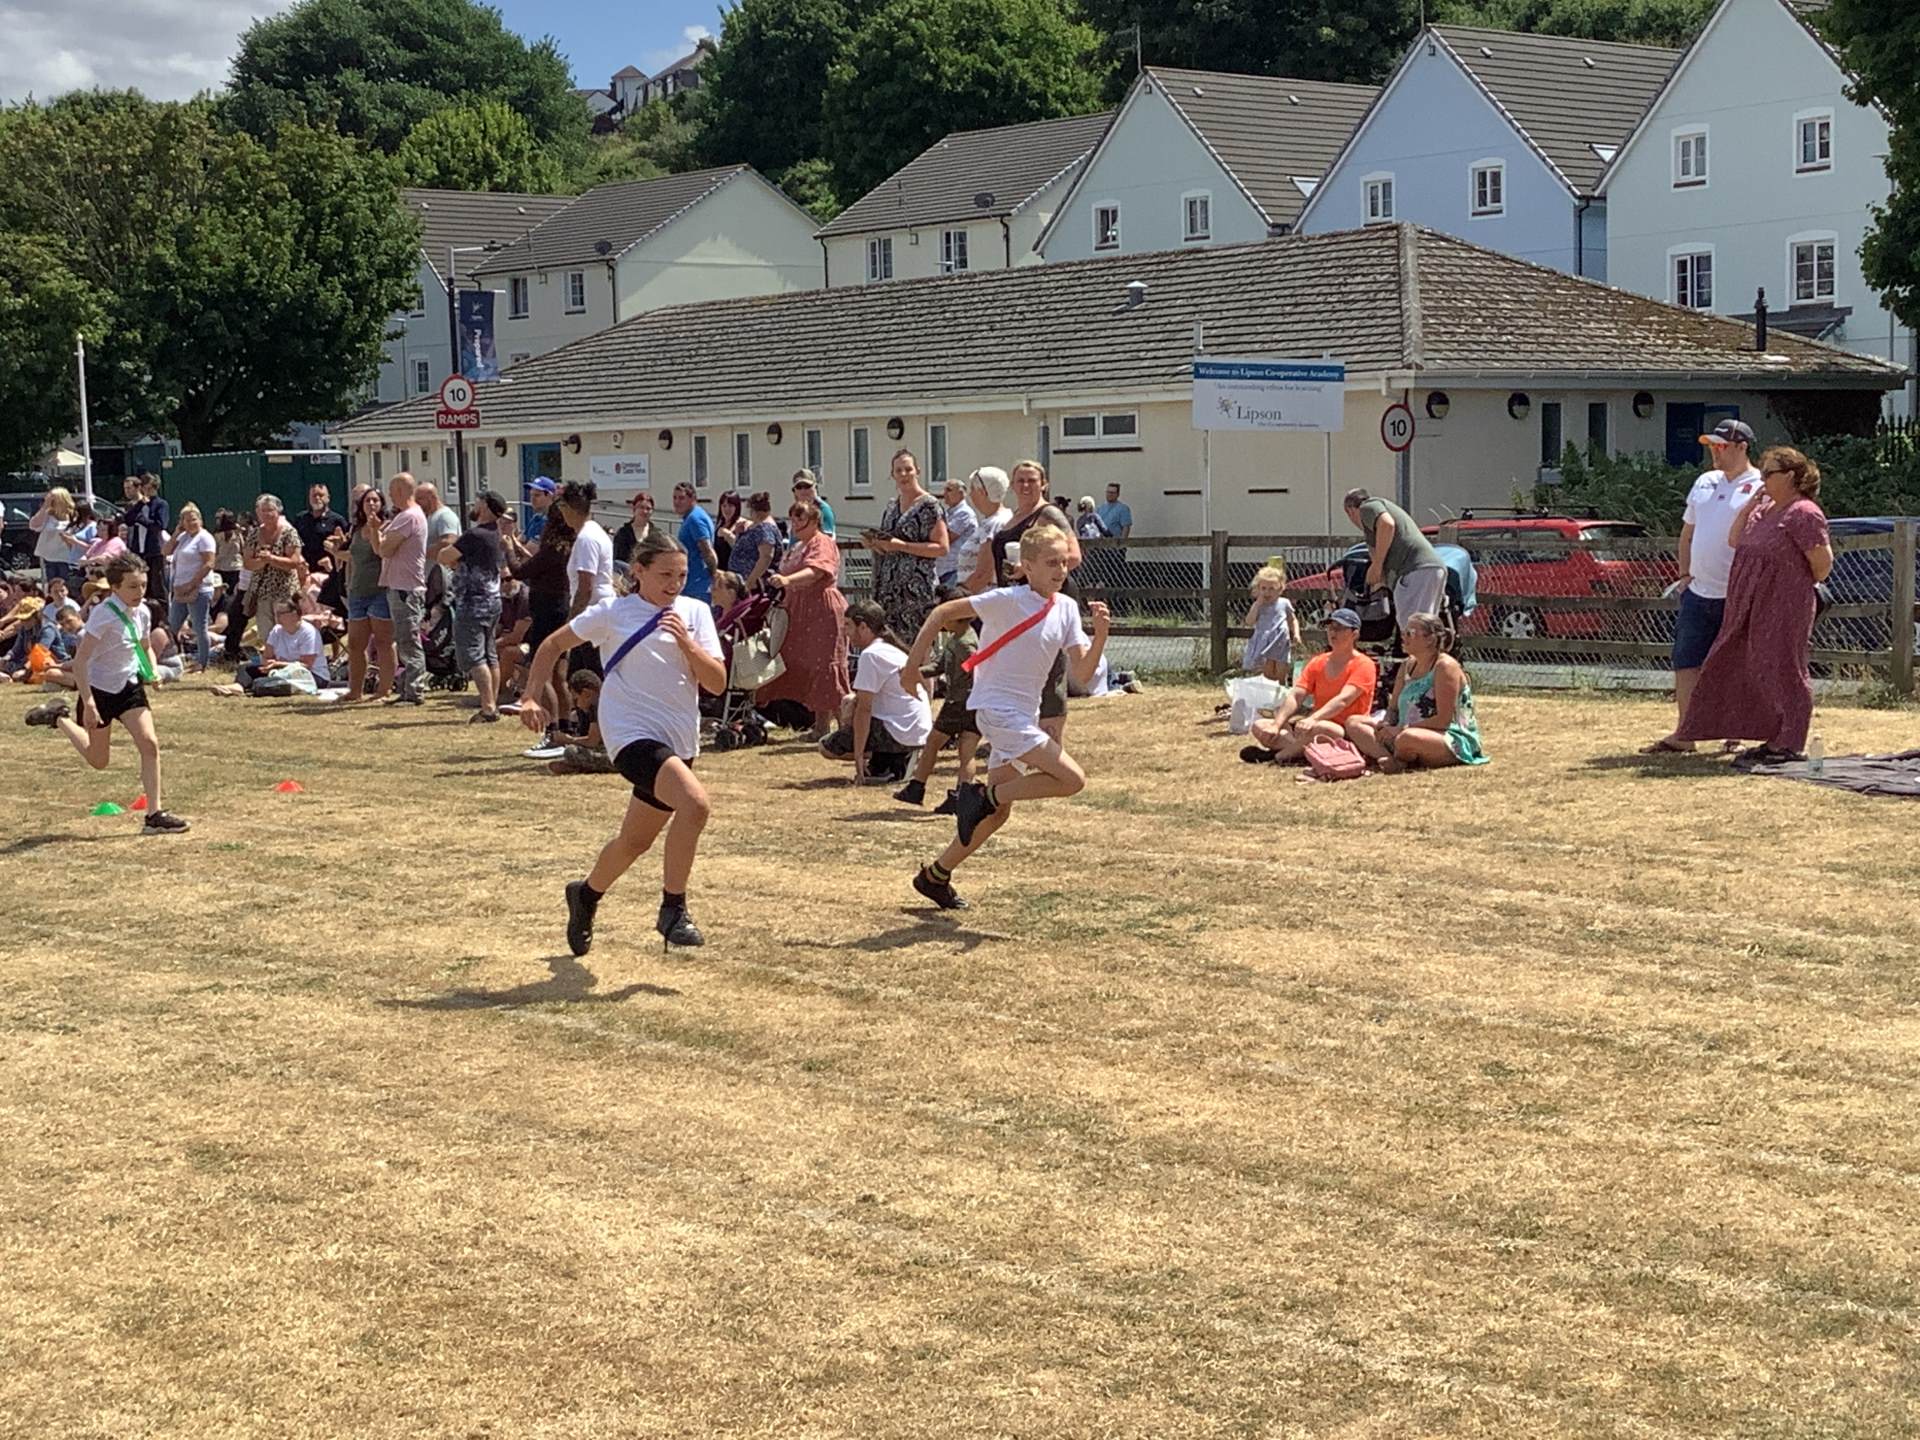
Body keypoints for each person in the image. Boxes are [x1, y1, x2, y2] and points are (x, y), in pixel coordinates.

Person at [516, 531, 726, 954]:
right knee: (695, 805)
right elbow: (552, 644)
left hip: (678, 738)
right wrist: (530, 696)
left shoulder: (695, 612)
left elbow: (717, 683)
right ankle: (673, 909)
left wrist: (686, 642)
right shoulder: (613, 612)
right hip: (629, 734)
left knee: (635, 841)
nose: (674, 584)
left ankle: (585, 895)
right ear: (639, 572)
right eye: (665, 574)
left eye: (682, 575)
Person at [901, 524, 1109, 911]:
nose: (1061, 570)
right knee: (1072, 780)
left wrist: (1100, 636)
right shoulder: (1008, 600)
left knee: (997, 814)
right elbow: (943, 612)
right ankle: (981, 795)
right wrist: (912, 667)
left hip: (1024, 715)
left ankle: (935, 875)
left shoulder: (1065, 608)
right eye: (1051, 563)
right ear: (1026, 566)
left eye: (1064, 562)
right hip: (997, 710)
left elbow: (1082, 674)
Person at [1669, 446, 1834, 763]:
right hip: (1750, 602)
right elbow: (1735, 539)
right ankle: (1772, 737)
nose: (1763, 479)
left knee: (1785, 667)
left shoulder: (1803, 512)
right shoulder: (1764, 509)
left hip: (1785, 602)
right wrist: (1749, 506)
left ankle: (1790, 742)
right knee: (1756, 665)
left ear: (1790, 477)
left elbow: (1822, 566)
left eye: (1769, 474)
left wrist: (1788, 582)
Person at [24, 556, 189, 833]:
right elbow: (81, 662)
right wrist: (88, 703)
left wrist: (152, 671)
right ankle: (60, 717)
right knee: (98, 760)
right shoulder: (103, 615)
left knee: (149, 743)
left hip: (128, 686)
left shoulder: (143, 612)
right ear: (115, 587)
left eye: (143, 585)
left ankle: (154, 815)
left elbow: (145, 646)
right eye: (132, 586)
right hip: (98, 690)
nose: (140, 592)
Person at [1644, 418, 1765, 754]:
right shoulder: (1704, 482)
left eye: (1722, 446)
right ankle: (1686, 734)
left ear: (1742, 447)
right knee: (1686, 661)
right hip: (1698, 591)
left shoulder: (1760, 486)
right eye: (1712, 446)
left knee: (1735, 665)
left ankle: (1734, 734)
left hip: (1737, 594)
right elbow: (1688, 533)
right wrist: (1685, 575)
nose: (1715, 452)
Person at [969, 459, 1081, 742]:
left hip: (1042, 602)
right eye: (1020, 480)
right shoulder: (1013, 516)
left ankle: (1050, 740)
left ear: (1044, 484)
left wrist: (1030, 570)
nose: (1026, 485)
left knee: (1050, 670)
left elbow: (1073, 555)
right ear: (1012, 485)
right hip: (1016, 602)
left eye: (1032, 480)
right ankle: (1018, 732)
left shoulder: (1048, 513)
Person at [1346, 612, 1488, 772]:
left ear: (1430, 639)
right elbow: (1393, 709)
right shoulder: (1407, 665)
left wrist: (1400, 729)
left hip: (1447, 736)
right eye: (1403, 632)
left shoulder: (1445, 667)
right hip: (1403, 731)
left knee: (1407, 738)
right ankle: (1389, 758)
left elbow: (1443, 720)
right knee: (1354, 722)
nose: (1403, 637)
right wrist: (1386, 725)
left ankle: (1397, 756)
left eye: (1410, 633)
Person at [757, 499, 849, 737]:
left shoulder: (822, 542)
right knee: (808, 667)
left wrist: (787, 580)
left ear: (815, 520)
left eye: (801, 518)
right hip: (798, 612)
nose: (796, 523)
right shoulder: (797, 546)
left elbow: (816, 571)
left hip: (822, 610)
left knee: (826, 666)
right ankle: (821, 727)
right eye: (793, 518)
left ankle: (847, 730)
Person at [1242, 608, 1379, 764]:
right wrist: (1276, 725)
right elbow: (1296, 695)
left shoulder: (1364, 664)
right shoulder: (1318, 662)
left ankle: (1281, 755)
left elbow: (1343, 700)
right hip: (1312, 727)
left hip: (1342, 731)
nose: (1333, 632)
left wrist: (1313, 718)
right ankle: (1303, 752)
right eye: (1330, 627)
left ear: (1354, 634)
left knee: (1326, 729)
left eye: (1339, 628)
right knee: (1260, 726)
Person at [822, 599, 933, 783]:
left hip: (902, 731)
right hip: (915, 730)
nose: (845, 632)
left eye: (848, 626)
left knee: (827, 746)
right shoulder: (890, 649)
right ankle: (889, 761)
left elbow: (864, 710)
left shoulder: (871, 655)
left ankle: (890, 759)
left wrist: (858, 758)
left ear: (863, 627)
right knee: (850, 701)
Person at [893, 584, 980, 809]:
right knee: (967, 750)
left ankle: (917, 787)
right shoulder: (958, 638)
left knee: (933, 743)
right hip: (973, 703)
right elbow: (939, 666)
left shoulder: (964, 644)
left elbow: (976, 668)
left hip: (959, 703)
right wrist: (915, 672)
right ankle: (961, 797)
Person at [437, 490, 509, 721]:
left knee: (474, 656)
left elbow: (444, 556)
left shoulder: (475, 535)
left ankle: (487, 708)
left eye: (478, 502)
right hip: (493, 601)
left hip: (472, 602)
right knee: (490, 654)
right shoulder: (496, 534)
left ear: (485, 506)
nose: (474, 505)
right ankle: (492, 704)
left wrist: (453, 555)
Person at [865, 448, 949, 638]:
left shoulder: (929, 506)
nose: (904, 474)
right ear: (892, 474)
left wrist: (902, 546)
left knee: (915, 645)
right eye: (899, 470)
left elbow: (942, 548)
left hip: (916, 592)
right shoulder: (891, 506)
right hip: (888, 591)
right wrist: (875, 544)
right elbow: (888, 543)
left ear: (917, 471)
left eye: (908, 469)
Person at [502, 502, 574, 718]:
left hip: (546, 610)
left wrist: (508, 549)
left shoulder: (552, 547)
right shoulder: (568, 545)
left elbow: (519, 571)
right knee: (559, 674)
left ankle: (552, 726)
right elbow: (536, 563)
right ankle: (566, 724)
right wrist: (518, 546)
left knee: (541, 670)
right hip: (561, 606)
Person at [1343, 487, 1447, 638]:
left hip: (1414, 568)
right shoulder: (1372, 529)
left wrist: (1377, 566)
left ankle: (1418, 652)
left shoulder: (1368, 507)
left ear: (1350, 511)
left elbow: (1387, 524)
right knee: (1424, 626)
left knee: (1412, 627)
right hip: (1427, 568)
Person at [327, 486, 393, 702]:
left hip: (380, 591)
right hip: (357, 592)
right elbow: (354, 556)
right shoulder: (356, 529)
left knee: (383, 643)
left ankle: (384, 690)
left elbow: (379, 551)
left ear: (382, 504)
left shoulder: (388, 526)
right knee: (355, 644)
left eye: (375, 500)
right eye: (367, 501)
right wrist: (335, 551)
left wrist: (375, 529)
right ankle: (355, 691)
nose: (371, 504)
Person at [367, 472, 427, 704]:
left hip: (406, 589)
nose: (390, 496)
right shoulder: (404, 517)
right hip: (398, 586)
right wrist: (375, 529)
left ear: (402, 491)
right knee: (403, 640)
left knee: (409, 641)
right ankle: (407, 689)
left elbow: (385, 549)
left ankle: (414, 691)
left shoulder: (409, 517)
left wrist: (379, 535)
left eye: (392, 492)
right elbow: (379, 549)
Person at [242, 493, 306, 653]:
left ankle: (289, 659)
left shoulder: (289, 533)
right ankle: (272, 660)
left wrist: (271, 559)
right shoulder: (254, 534)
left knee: (287, 629)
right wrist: (262, 562)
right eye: (263, 510)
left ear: (278, 511)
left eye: (270, 510)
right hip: (262, 592)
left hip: (284, 591)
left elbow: (294, 562)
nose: (267, 514)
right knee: (267, 633)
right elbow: (247, 563)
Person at [162, 502, 217, 672]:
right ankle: (168, 657)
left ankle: (202, 662)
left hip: (199, 589)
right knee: (172, 625)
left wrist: (192, 584)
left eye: (193, 519)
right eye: (186, 520)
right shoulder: (183, 538)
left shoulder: (204, 538)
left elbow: (209, 563)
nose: (191, 523)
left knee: (199, 627)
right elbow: (165, 551)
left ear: (200, 520)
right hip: (180, 590)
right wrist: (176, 533)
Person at [546, 669, 615, 774]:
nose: (576, 705)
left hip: (617, 755)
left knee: (571, 751)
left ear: (586, 693)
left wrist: (568, 739)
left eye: (576, 699)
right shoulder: (607, 698)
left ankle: (580, 767)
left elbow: (592, 741)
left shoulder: (597, 706)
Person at [953, 466, 1011, 589]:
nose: (970, 494)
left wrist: (959, 595)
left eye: (972, 489)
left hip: (982, 595)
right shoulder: (999, 519)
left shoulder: (994, 524)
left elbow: (983, 574)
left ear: (982, 492)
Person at [1243, 566, 1300, 682]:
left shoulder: (1284, 603)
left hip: (1280, 640)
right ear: (1258, 589)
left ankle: (1281, 687)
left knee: (1281, 669)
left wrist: (1296, 634)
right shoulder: (1258, 605)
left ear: (1280, 589)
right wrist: (1257, 605)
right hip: (1264, 641)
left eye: (1271, 589)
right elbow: (1249, 621)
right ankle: (1268, 688)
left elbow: (1292, 619)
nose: (1267, 592)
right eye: (1263, 588)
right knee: (1267, 671)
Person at [672, 482, 721, 604]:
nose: (677, 502)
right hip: (693, 584)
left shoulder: (695, 519)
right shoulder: (691, 517)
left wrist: (714, 576)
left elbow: (707, 551)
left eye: (681, 498)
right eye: (675, 498)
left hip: (697, 586)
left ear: (693, 499)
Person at [212, 508, 247, 662]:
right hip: (227, 568)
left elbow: (242, 550)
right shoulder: (224, 536)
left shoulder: (230, 535)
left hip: (230, 568)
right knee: (228, 596)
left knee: (230, 597)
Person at [729, 491, 782, 589]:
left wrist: (750, 581)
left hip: (754, 585)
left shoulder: (764, 528)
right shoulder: (757, 526)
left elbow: (766, 556)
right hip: (741, 580)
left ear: (754, 510)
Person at [291, 482, 346, 572]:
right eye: (314, 496)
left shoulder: (337, 520)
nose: (317, 498)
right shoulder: (300, 519)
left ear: (328, 498)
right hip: (305, 570)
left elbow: (345, 546)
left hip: (329, 570)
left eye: (321, 495)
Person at [28, 487, 78, 584]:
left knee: (67, 584)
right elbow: (33, 525)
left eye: (53, 499)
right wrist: (45, 506)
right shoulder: (47, 515)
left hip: (67, 558)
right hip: (49, 557)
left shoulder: (73, 516)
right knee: (52, 584)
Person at [416, 481, 460, 586]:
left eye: (420, 499)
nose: (416, 503)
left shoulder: (445, 516)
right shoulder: (429, 517)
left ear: (431, 498)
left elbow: (449, 542)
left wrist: (419, 554)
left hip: (440, 581)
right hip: (427, 578)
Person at [936, 478, 977, 586]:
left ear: (961, 494)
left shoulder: (964, 513)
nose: (944, 494)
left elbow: (946, 538)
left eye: (949, 490)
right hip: (944, 570)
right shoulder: (949, 512)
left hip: (955, 570)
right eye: (944, 490)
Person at [611, 490, 659, 567]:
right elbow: (618, 561)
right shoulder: (623, 533)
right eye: (641, 507)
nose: (644, 511)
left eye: (648, 508)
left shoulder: (656, 534)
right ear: (634, 509)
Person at [791, 471, 835, 535]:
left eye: (807, 486)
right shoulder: (796, 510)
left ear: (815, 488)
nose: (803, 490)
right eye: (799, 487)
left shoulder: (823, 509)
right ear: (794, 491)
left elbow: (827, 538)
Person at [713, 490, 744, 575]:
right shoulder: (719, 524)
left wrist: (728, 535)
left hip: (733, 574)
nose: (726, 509)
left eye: (730, 506)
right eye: (724, 506)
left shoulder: (740, 524)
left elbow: (741, 549)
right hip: (719, 573)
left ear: (736, 507)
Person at [523, 475, 557, 542]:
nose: (532, 499)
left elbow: (531, 548)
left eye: (537, 495)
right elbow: (522, 539)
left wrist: (510, 541)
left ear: (549, 496)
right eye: (531, 495)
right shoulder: (537, 518)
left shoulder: (552, 520)